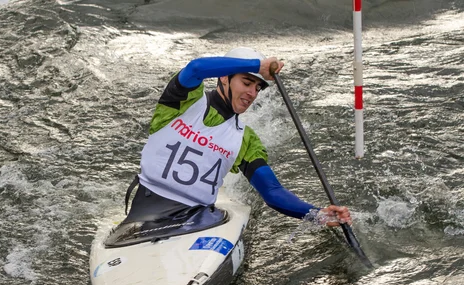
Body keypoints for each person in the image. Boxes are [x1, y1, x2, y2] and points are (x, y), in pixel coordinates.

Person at [115, 47, 350, 245]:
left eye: (257, 88)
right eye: (247, 83)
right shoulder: (183, 102)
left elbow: (272, 192)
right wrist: (258, 66)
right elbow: (196, 68)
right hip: (144, 207)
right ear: (224, 78)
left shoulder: (245, 139)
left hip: (197, 218)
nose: (252, 93)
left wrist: (316, 214)